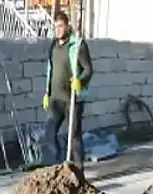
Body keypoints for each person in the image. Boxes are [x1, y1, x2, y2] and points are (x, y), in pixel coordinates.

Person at [42, 11, 93, 171]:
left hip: (73, 99)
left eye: (61, 26)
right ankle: (54, 169)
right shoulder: (53, 46)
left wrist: (80, 81)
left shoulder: (77, 44)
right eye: (56, 26)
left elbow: (88, 69)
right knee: (49, 133)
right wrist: (47, 92)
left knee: (74, 137)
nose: (58, 29)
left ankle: (78, 172)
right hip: (56, 99)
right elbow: (51, 70)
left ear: (67, 25)